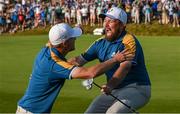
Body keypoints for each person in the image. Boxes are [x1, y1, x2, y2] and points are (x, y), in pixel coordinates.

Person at [16, 23, 133, 113]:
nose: (75, 39)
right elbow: (89, 73)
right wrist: (115, 59)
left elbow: (54, 38)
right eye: (72, 37)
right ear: (65, 44)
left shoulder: (48, 48)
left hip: (28, 109)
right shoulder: (54, 64)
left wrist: (77, 28)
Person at [68, 7, 151, 113]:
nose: (106, 24)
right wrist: (58, 63)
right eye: (105, 20)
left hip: (137, 88)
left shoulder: (129, 41)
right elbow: (78, 60)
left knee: (113, 113)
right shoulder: (99, 43)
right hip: (114, 90)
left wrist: (110, 85)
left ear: (121, 25)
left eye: (111, 21)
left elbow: (124, 68)